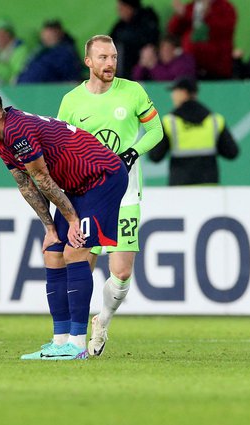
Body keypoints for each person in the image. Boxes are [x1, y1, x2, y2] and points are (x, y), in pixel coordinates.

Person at [0, 89, 128, 360]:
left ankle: (77, 345)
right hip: (76, 187)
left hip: (103, 177)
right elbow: (25, 184)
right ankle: (60, 340)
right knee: (53, 253)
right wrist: (50, 228)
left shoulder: (18, 130)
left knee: (74, 250)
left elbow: (41, 177)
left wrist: (73, 220)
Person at [57, 35, 164, 357]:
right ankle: (73, 340)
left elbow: (157, 131)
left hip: (126, 191)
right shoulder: (72, 101)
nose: (110, 63)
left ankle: (102, 320)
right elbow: (60, 147)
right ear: (88, 62)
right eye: (103, 57)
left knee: (121, 272)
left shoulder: (133, 91)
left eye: (114, 57)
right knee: (81, 263)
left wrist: (131, 153)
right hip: (87, 193)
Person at [148, 77, 239, 185]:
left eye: (174, 92)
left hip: (180, 190)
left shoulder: (170, 122)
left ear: (183, 92)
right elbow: (232, 153)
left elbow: (154, 156)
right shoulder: (215, 121)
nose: (172, 96)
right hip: (209, 190)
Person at [168, 0, 237, 79]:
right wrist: (179, 15)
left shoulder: (226, 7)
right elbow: (173, 30)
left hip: (217, 68)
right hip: (191, 68)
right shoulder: (191, 7)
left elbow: (223, 30)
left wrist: (207, 15)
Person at [17, 20, 83, 84]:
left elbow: (71, 79)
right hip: (26, 89)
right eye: (45, 34)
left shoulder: (65, 53)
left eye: (50, 34)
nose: (47, 37)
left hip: (46, 91)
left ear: (59, 33)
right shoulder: (39, 50)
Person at [110, 0, 161, 79]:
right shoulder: (120, 26)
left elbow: (150, 41)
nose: (119, 11)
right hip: (123, 75)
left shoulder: (147, 20)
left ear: (129, 8)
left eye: (121, 8)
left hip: (144, 74)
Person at [132, 35, 197, 81]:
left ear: (176, 51)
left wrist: (153, 66)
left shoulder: (185, 61)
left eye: (167, 49)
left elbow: (169, 79)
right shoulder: (158, 62)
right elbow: (136, 77)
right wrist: (142, 62)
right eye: (162, 49)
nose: (163, 53)